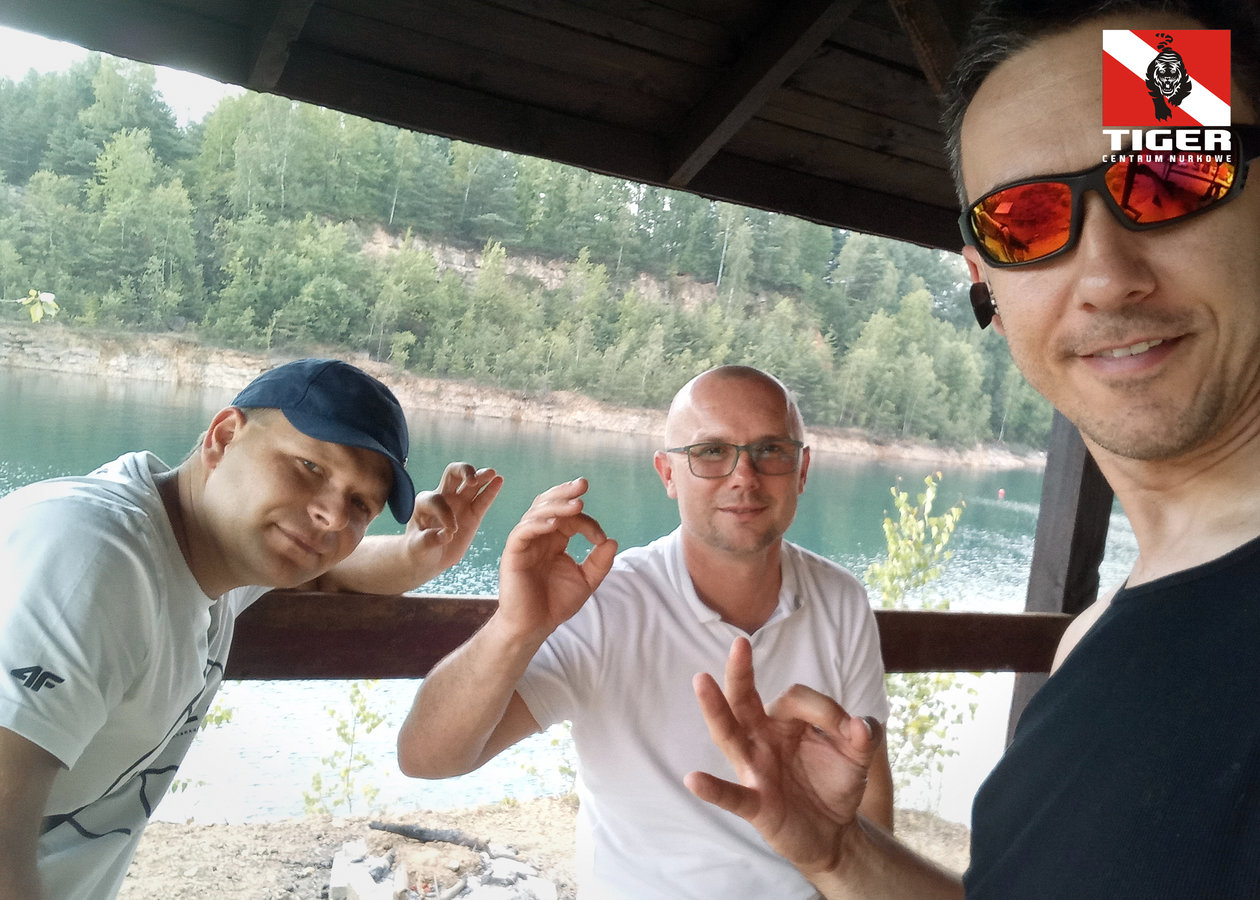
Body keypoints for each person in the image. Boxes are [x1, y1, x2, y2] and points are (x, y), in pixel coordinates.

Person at [684, 1, 1260, 898]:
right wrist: (843, 855)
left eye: (1171, 179)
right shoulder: (1090, 644)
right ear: (984, 282)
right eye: (1026, 219)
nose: (1108, 275)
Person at [0, 358, 504, 900]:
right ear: (224, 438)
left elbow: (331, 571)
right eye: (310, 467)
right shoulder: (91, 557)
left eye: (360, 504)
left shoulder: (210, 555)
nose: (334, 517)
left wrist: (422, 554)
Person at [397, 364, 893, 899]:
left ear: (801, 469)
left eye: (771, 449)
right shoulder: (604, 600)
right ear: (667, 474)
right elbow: (427, 758)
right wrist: (515, 627)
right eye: (710, 451)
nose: (744, 476)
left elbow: (869, 795)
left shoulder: (840, 600)